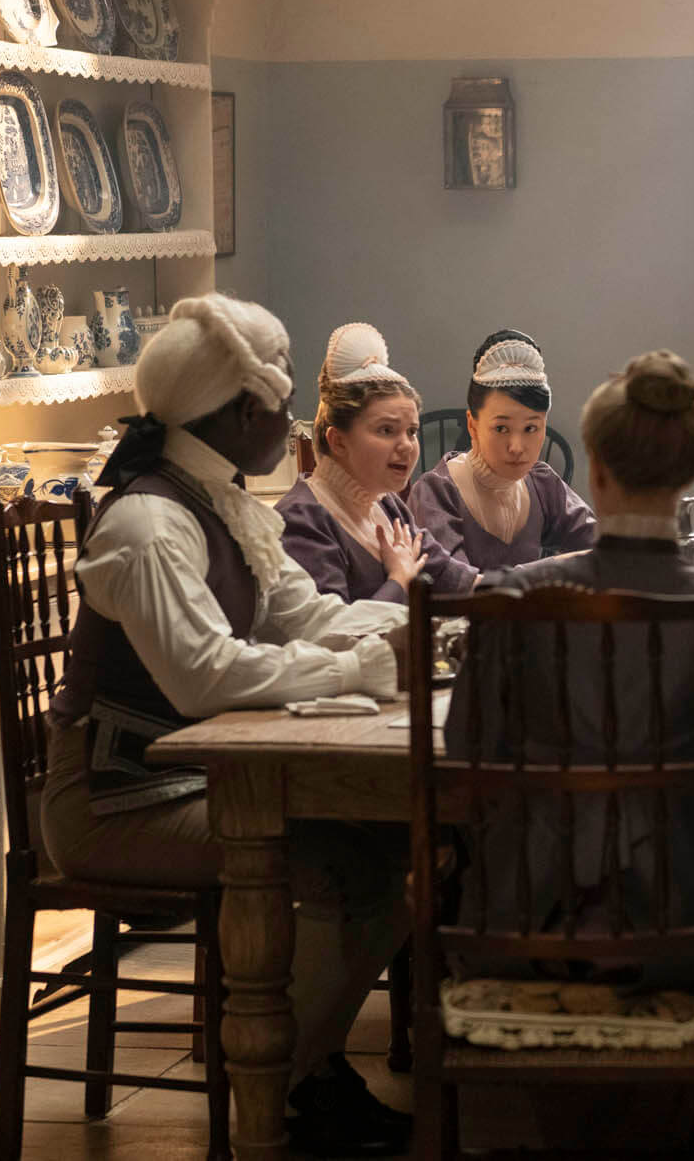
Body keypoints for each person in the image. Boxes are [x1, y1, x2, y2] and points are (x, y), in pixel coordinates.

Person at [442, 351, 694, 1156]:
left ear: (594, 470)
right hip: (679, 935)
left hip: (518, 929)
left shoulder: (510, 598)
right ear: (689, 476)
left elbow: (465, 753)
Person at [42, 295, 415, 1156]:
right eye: (281, 405)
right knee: (348, 860)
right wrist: (358, 667)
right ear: (243, 412)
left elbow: (307, 615)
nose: (293, 425)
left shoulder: (219, 501)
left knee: (391, 847)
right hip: (113, 799)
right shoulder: (149, 523)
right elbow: (206, 676)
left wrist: (419, 626)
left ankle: (301, 1070)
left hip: (186, 778)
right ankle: (273, 1087)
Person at [278, 322, 473, 603]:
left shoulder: (388, 505)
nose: (406, 445)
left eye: (411, 431)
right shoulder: (301, 519)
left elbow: (460, 582)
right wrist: (399, 580)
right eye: (386, 430)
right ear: (338, 441)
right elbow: (334, 629)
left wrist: (541, 578)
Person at [407, 329, 596, 573]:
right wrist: (555, 568)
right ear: (472, 425)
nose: (517, 447)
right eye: (501, 428)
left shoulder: (542, 484)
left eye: (531, 428)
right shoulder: (436, 493)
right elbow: (455, 586)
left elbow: (604, 548)